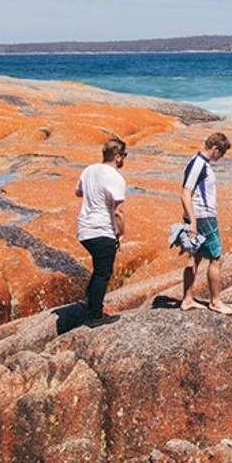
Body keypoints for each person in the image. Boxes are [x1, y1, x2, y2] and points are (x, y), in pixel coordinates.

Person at [179, 132, 232, 315]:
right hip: (203, 216)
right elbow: (185, 192)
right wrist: (193, 221)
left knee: (194, 257)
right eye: (222, 153)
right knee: (216, 258)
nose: (221, 157)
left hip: (199, 216)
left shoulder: (198, 161)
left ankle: (188, 299)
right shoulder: (199, 164)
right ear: (215, 149)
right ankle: (215, 302)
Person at [75, 138, 127, 326]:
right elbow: (118, 211)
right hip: (101, 229)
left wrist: (93, 192)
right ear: (118, 156)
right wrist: (120, 233)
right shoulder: (116, 178)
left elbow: (78, 192)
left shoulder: (89, 170)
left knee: (99, 269)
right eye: (124, 156)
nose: (124, 160)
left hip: (84, 229)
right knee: (103, 273)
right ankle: (95, 315)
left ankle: (89, 301)